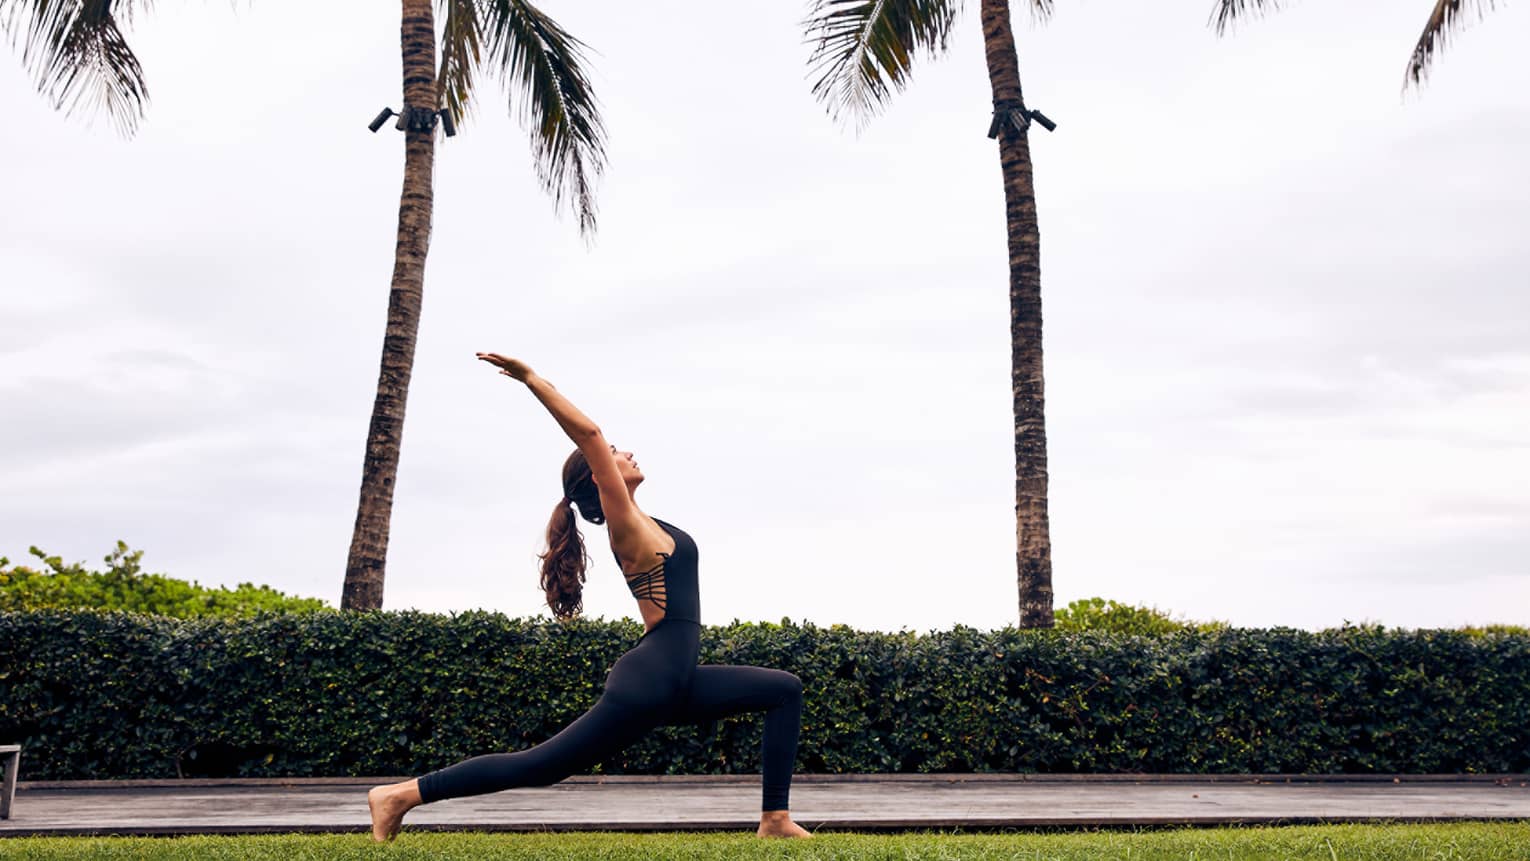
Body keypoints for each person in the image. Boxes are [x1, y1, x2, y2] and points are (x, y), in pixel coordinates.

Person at [367, 353, 811, 841]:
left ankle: (775, 820)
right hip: (652, 680)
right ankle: (399, 795)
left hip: (671, 677)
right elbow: (591, 437)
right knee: (539, 766)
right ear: (599, 480)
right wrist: (534, 380)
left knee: (783, 689)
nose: (625, 452)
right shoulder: (626, 525)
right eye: (617, 453)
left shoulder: (646, 522)